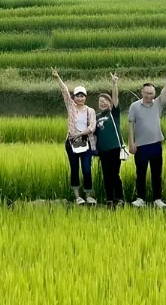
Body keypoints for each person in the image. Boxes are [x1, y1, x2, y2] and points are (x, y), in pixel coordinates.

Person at [126, 59, 166, 208]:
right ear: (142, 92)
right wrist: (131, 142)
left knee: (156, 174)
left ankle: (157, 199)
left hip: (156, 145)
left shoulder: (158, 103)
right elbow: (130, 124)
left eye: (152, 93)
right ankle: (140, 198)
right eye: (147, 93)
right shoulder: (134, 106)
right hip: (140, 146)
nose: (149, 95)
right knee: (140, 173)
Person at [52, 68, 97, 205]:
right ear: (74, 97)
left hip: (86, 143)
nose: (80, 98)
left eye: (82, 95)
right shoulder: (71, 107)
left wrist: (80, 133)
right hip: (71, 143)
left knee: (87, 169)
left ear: (86, 97)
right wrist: (58, 77)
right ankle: (78, 197)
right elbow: (65, 91)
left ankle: (88, 195)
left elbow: (92, 127)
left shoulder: (91, 111)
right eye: (77, 95)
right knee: (75, 169)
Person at [93, 72, 126, 207]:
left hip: (115, 148)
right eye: (100, 102)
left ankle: (120, 198)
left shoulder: (113, 113)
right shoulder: (96, 116)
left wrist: (114, 84)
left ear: (110, 102)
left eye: (105, 101)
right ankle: (109, 199)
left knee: (115, 174)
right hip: (103, 150)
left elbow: (116, 98)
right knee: (106, 175)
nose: (102, 103)